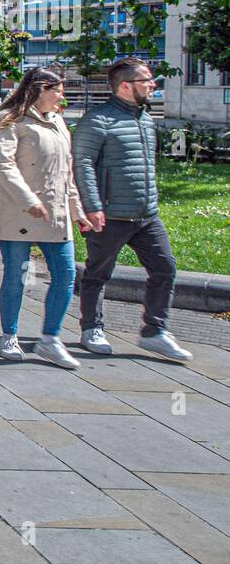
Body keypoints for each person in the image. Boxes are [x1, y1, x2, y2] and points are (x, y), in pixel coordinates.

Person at [72, 57, 191, 362]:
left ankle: (155, 332)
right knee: (98, 273)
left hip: (146, 215)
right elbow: (82, 164)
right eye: (147, 81)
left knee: (165, 268)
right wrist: (93, 206)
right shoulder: (98, 120)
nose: (153, 85)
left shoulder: (146, 119)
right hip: (110, 215)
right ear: (125, 86)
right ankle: (91, 329)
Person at [0, 67, 94, 368]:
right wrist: (29, 200)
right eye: (58, 90)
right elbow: (4, 166)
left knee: (66, 275)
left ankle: (50, 339)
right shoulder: (8, 119)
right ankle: (9, 334)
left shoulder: (58, 123)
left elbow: (66, 173)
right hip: (17, 211)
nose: (62, 96)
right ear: (40, 89)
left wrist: (77, 211)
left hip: (55, 213)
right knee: (17, 275)